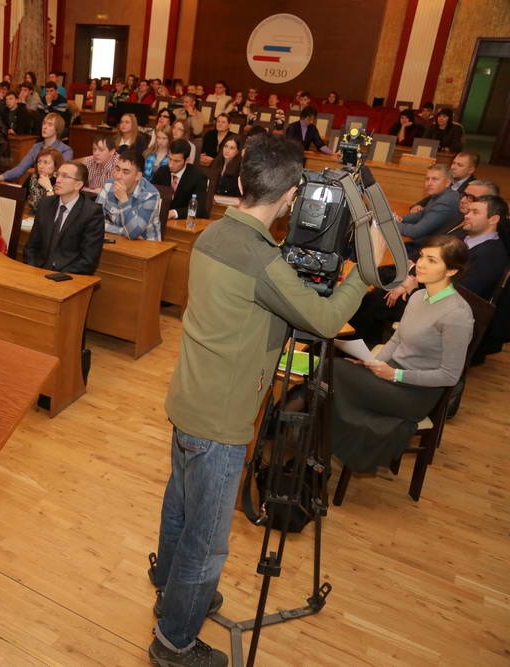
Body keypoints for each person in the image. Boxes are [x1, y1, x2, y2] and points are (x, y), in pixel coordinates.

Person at [148, 133, 369, 667]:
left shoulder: (212, 235)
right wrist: (363, 273)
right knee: (207, 540)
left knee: (179, 507)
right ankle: (174, 642)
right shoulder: (262, 261)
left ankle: (172, 594)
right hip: (221, 418)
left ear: (242, 182)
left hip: (189, 397)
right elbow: (320, 320)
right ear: (292, 195)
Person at [332, 235, 473, 473]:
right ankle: (320, 445)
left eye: (432, 260)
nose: (420, 264)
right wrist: (372, 363)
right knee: (335, 368)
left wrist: (394, 375)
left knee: (333, 369)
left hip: (415, 394)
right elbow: (397, 338)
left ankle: (320, 442)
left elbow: (449, 376)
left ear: (451, 271)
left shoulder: (458, 315)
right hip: (393, 375)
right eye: (421, 257)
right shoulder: (418, 296)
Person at [351, 192, 508, 346]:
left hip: (442, 311)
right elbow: (430, 259)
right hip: (426, 290)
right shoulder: (464, 236)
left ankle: (359, 348)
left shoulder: (492, 254)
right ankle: (361, 343)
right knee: (379, 284)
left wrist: (414, 289)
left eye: (475, 212)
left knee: (377, 301)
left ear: (493, 219)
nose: (467, 215)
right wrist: (408, 280)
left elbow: (459, 292)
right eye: (468, 211)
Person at [24, 160, 105, 274]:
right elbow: (31, 247)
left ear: (78, 185)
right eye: (58, 175)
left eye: (65, 176)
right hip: (38, 270)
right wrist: (32, 270)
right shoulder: (46, 204)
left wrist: (58, 276)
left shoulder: (91, 212)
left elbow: (88, 261)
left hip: (68, 276)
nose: (58, 180)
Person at [96, 150, 161, 241]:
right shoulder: (109, 185)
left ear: (138, 176)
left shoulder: (150, 195)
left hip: (147, 246)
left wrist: (123, 201)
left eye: (125, 172)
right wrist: (122, 231)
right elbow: (95, 222)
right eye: (117, 169)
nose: (118, 176)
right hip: (119, 240)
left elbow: (133, 233)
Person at [0, 113, 73, 183]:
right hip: (36, 185)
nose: (45, 127)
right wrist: (1, 177)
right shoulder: (36, 147)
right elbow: (21, 168)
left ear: (57, 130)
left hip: (53, 188)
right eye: (44, 123)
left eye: (50, 124)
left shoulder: (65, 150)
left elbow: (61, 174)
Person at [395, 164, 462, 246]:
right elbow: (422, 214)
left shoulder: (446, 201)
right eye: (427, 179)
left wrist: (392, 224)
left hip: (427, 248)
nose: (429, 183)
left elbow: (415, 231)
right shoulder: (440, 194)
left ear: (447, 182)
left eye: (435, 179)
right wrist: (401, 219)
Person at [152, 139, 208, 220]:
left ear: (187, 160)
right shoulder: (162, 171)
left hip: (184, 221)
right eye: (169, 159)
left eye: (176, 161)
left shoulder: (198, 177)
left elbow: (199, 209)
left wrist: (173, 213)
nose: (171, 165)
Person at [25, 147, 63, 212]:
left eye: (46, 163)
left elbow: (55, 209)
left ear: (56, 166)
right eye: (39, 162)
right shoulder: (33, 177)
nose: (41, 166)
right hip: (32, 215)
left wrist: (48, 188)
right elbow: (21, 196)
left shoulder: (61, 181)